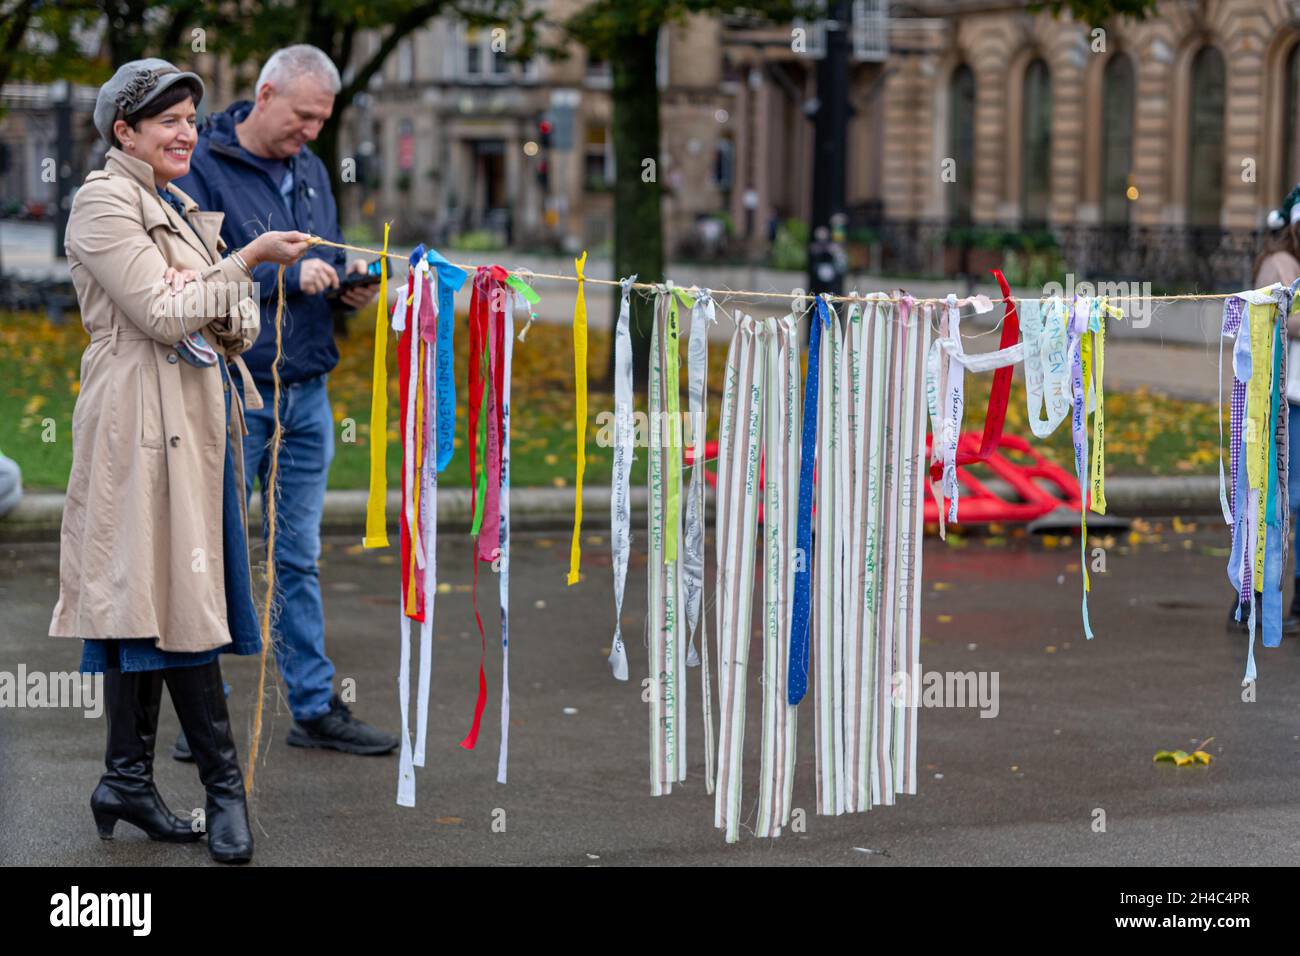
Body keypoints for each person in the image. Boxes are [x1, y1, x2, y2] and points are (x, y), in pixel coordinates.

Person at [48, 58, 311, 863]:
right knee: (172, 604)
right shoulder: (101, 201)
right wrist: (243, 263)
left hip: (192, 425)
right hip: (134, 426)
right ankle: (226, 791)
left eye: (193, 119)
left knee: (156, 602)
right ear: (124, 131)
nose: (187, 133)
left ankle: (125, 780)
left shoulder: (182, 206)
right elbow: (165, 313)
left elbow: (236, 328)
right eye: (168, 120)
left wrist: (219, 283)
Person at [174, 45, 398, 756]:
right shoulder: (200, 167)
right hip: (234, 392)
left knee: (298, 558)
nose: (310, 132)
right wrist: (281, 278)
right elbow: (187, 282)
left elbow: (320, 265)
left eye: (321, 121)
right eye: (303, 116)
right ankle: (200, 716)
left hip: (308, 390)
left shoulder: (310, 169)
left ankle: (313, 707)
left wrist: (349, 289)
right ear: (266, 94)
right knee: (212, 552)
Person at [1238, 185, 1300, 634]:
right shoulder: (1280, 265)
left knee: (1280, 500)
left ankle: (1262, 598)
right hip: (1282, 402)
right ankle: (1253, 598)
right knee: (1276, 501)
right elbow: (1275, 319)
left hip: (1287, 399)